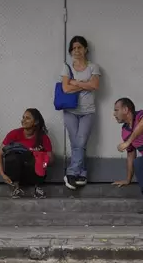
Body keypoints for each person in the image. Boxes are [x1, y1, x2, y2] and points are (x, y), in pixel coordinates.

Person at [60, 35, 101, 190]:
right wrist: (85, 84)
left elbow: (95, 85)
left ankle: (71, 172)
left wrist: (75, 83)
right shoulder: (66, 67)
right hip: (70, 110)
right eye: (74, 48)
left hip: (88, 111)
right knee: (76, 142)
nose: (76, 51)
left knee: (81, 141)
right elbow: (65, 88)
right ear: (71, 51)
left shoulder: (93, 67)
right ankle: (82, 172)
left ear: (85, 49)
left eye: (79, 47)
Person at [0, 108, 53, 199]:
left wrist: (41, 159)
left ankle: (37, 188)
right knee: (12, 156)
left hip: (34, 174)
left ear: (36, 122)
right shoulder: (13, 134)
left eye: (28, 118)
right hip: (16, 175)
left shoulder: (43, 137)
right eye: (23, 117)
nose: (23, 120)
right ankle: (16, 188)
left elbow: (51, 160)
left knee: (34, 156)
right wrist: (3, 175)